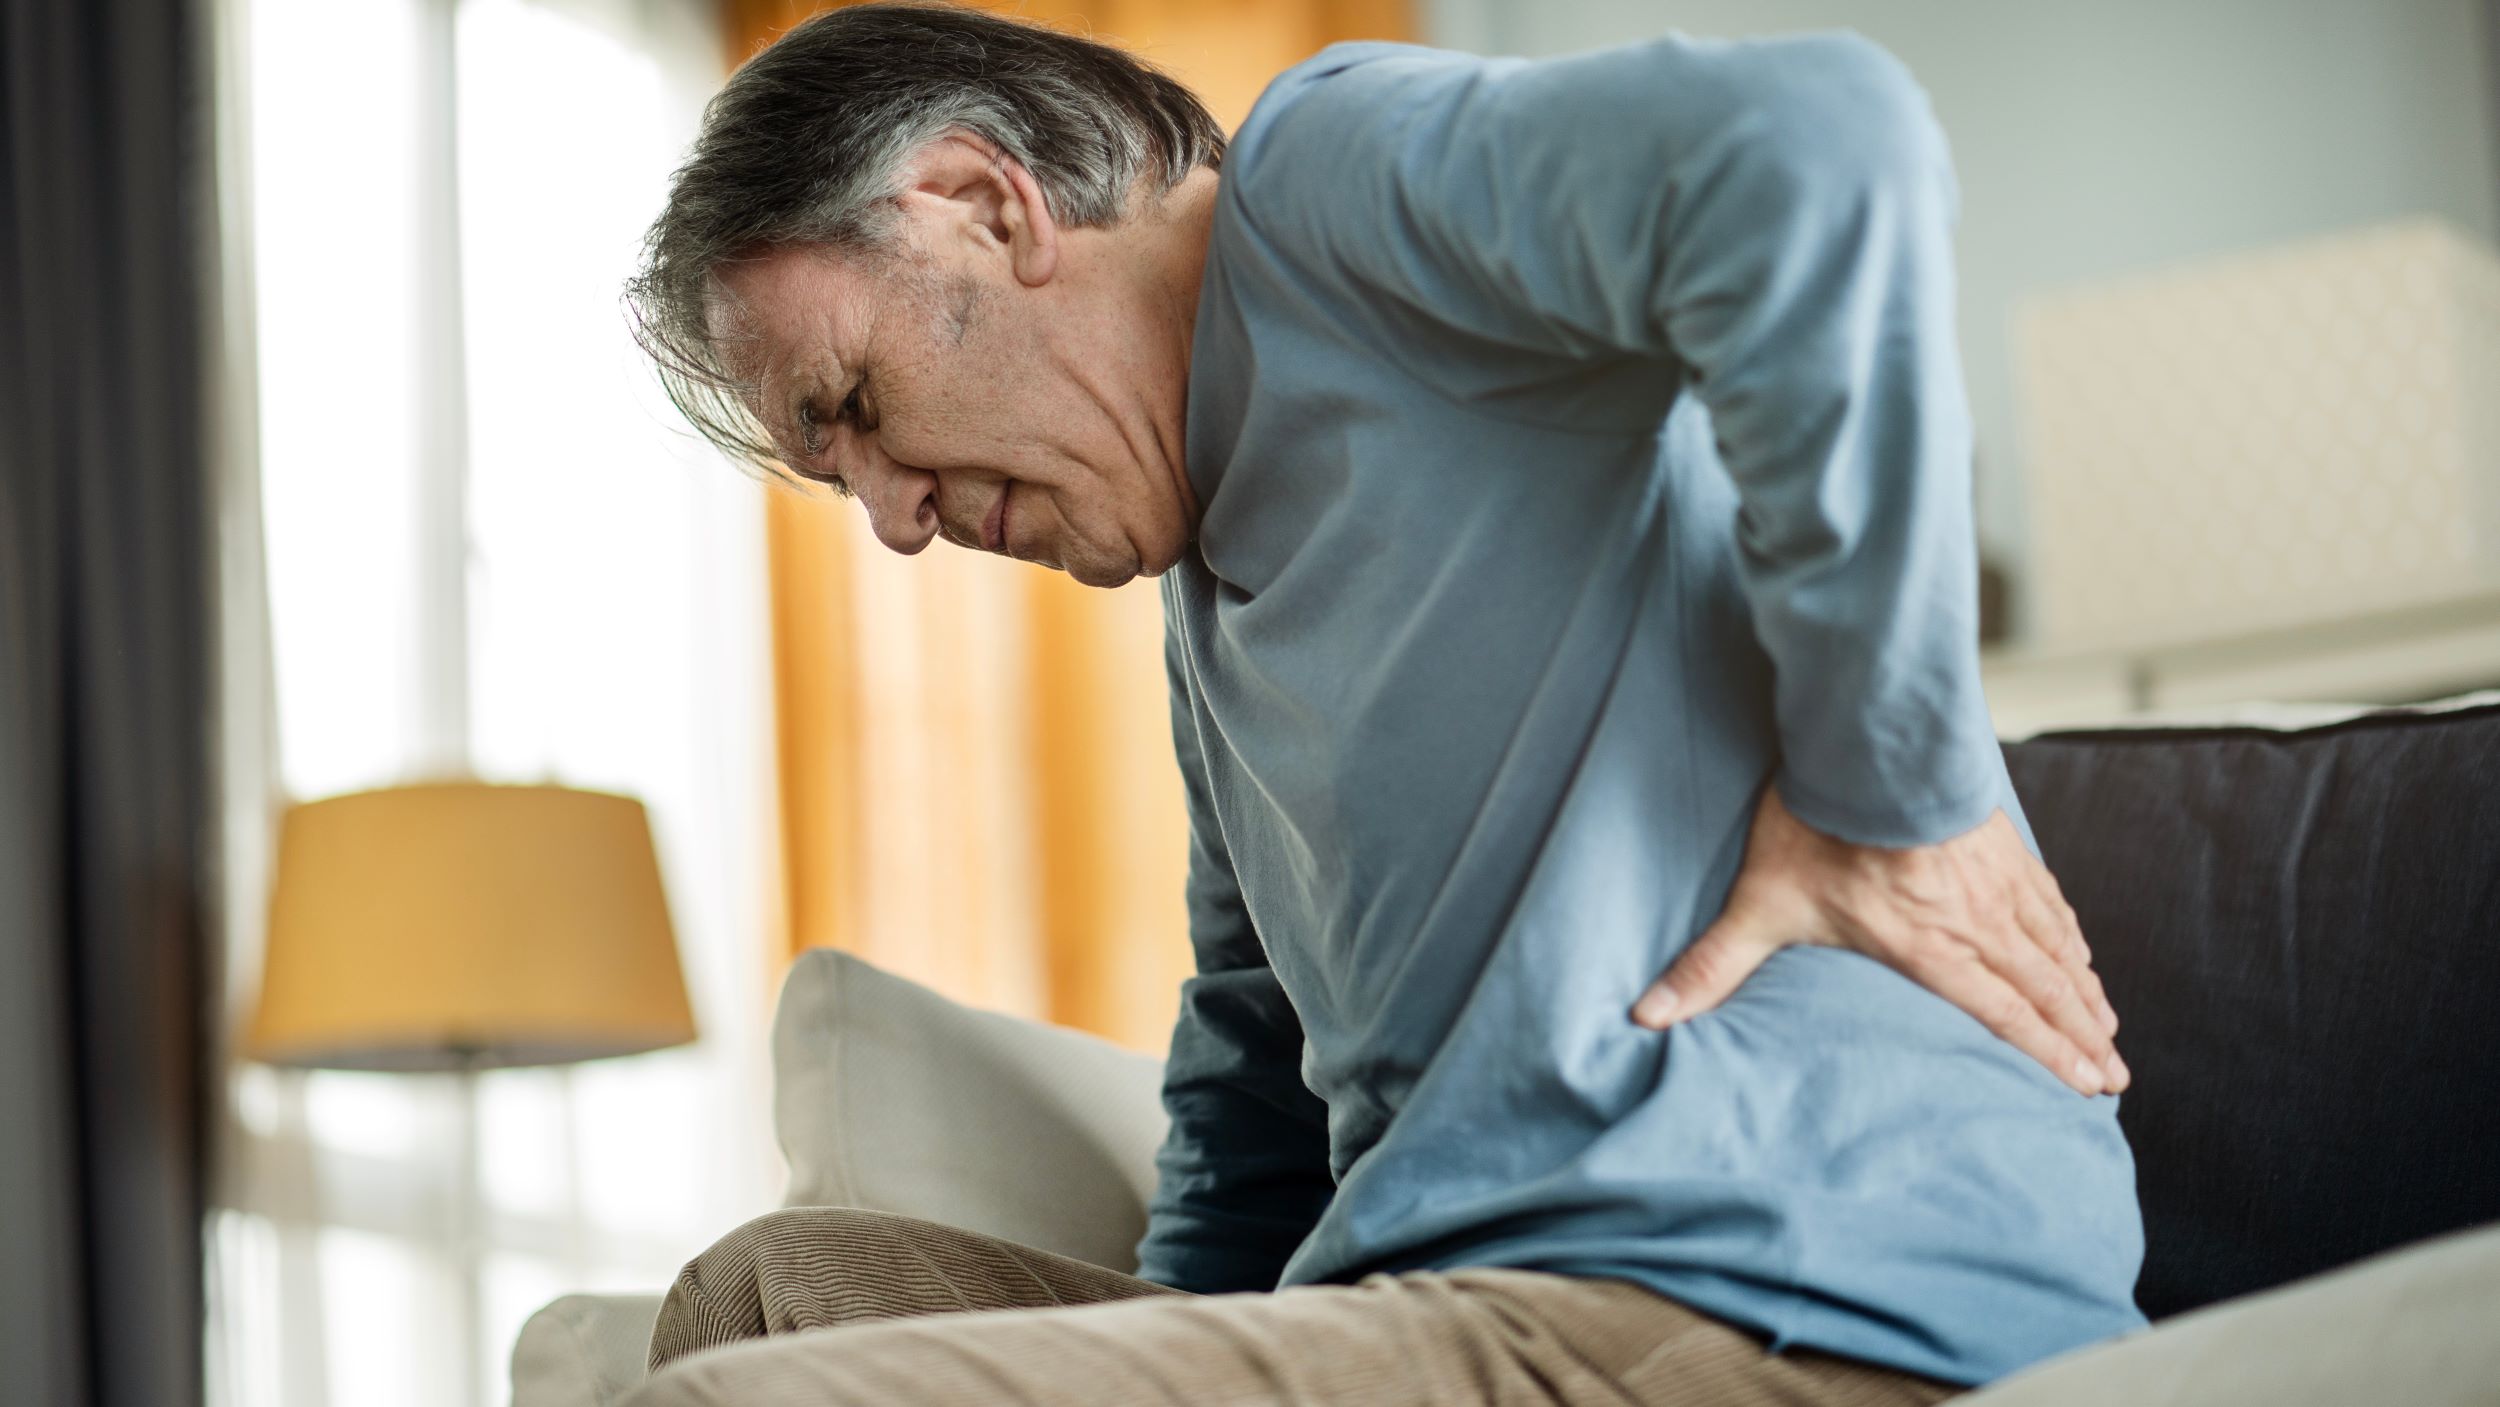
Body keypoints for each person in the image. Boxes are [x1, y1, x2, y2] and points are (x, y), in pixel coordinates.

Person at [617, 5, 2144, 1404]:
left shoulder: (1328, 193)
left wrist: (1889, 801)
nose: (887, 519)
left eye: (858, 411)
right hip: (1458, 1313)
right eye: (840, 481)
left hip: (1761, 1297)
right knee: (767, 1295)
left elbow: (1819, 140)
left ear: (983, 205)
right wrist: (1163, 1347)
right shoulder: (1201, 597)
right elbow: (1252, 1082)